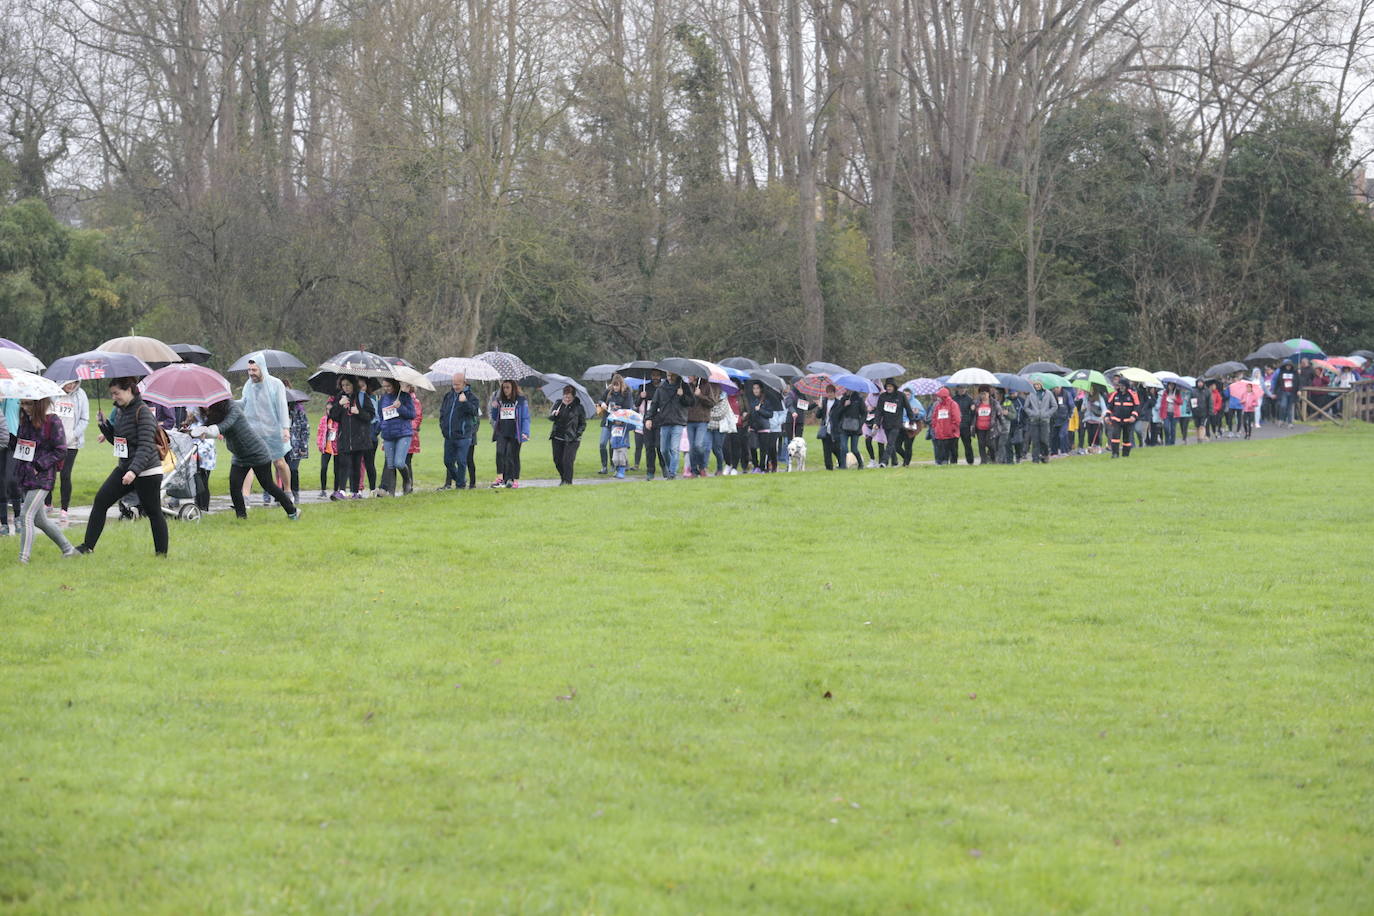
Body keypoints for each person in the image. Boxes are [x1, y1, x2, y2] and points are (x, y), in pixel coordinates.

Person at [76, 377, 168, 556]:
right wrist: (105, 426)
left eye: (116, 393)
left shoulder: (143, 412)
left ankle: (161, 554)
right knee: (101, 500)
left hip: (147, 471)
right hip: (126, 468)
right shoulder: (121, 411)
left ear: (129, 390)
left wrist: (134, 471)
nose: (114, 397)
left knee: (153, 511)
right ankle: (87, 547)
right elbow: (120, 443)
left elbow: (146, 447)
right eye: (112, 394)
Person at [190, 399, 301, 520]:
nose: (205, 408)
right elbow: (207, 427)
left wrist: (206, 431)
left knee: (268, 486)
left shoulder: (232, 408)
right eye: (203, 405)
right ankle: (241, 518)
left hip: (257, 453)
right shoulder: (215, 413)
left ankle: (293, 511)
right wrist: (190, 429)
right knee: (234, 487)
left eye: (208, 404)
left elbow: (224, 426)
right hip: (239, 455)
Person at [13, 398, 77, 562]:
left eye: (28, 403)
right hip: (26, 476)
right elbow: (22, 446)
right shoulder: (25, 420)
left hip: (43, 477)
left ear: (39, 403)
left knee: (25, 516)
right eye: (22, 403)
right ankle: (68, 549)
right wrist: (10, 439)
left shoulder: (53, 421)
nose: (25, 407)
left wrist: (39, 465)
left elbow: (61, 450)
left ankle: (23, 559)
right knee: (40, 520)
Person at [238, 353, 291, 500]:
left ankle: (287, 491)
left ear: (261, 368)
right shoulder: (248, 385)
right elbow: (243, 404)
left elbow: (282, 407)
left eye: (254, 370)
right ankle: (245, 497)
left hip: (274, 431)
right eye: (249, 370)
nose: (251, 373)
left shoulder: (276, 384)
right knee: (249, 465)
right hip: (254, 432)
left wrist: (285, 428)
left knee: (279, 463)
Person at [48, 379, 89, 527]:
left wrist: (72, 434)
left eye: (74, 383)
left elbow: (85, 419)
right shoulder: (53, 393)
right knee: (49, 472)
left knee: (65, 474)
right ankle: (48, 503)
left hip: (71, 443)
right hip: (53, 442)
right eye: (68, 383)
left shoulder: (81, 395)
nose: (71, 386)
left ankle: (64, 509)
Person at [328, 376, 375, 500]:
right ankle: (342, 491)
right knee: (344, 464)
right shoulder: (340, 397)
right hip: (344, 438)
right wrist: (339, 405)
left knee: (356, 465)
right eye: (343, 385)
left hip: (359, 438)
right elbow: (333, 416)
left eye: (348, 385)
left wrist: (358, 412)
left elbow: (370, 416)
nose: (345, 388)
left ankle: (355, 492)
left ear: (354, 384)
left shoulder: (362, 397)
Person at [644, 372, 692, 480]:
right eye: (668, 375)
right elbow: (654, 404)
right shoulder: (661, 388)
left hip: (678, 421)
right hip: (664, 421)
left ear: (677, 375)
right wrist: (648, 418)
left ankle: (672, 473)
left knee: (674, 448)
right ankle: (671, 468)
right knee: (663, 449)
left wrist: (683, 395)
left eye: (672, 376)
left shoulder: (684, 386)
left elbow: (691, 402)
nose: (670, 378)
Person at [439, 372, 480, 489]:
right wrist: (443, 427)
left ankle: (460, 486)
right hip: (449, 435)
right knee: (448, 462)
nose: (455, 387)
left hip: (463, 436)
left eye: (457, 384)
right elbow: (442, 412)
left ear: (464, 383)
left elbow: (474, 412)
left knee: (462, 461)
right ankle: (460, 479)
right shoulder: (448, 396)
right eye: (453, 384)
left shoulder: (472, 397)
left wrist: (465, 402)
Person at [376, 378, 416, 496]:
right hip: (388, 435)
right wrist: (380, 428)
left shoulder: (404, 397)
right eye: (384, 386)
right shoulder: (383, 399)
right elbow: (381, 415)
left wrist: (400, 407)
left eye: (388, 386)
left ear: (394, 385)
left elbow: (412, 414)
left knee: (399, 462)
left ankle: (407, 481)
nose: (386, 388)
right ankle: (391, 493)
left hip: (403, 434)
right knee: (390, 465)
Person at [489, 380, 530, 488]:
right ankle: (500, 478)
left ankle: (514, 480)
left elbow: (525, 417)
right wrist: (494, 407)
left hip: (515, 432)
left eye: (508, 387)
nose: (505, 390)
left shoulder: (520, 400)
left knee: (512, 456)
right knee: (500, 453)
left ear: (513, 388)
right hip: (502, 431)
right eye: (504, 388)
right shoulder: (499, 400)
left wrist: (525, 432)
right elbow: (494, 417)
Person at [549, 385, 587, 485]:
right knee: (557, 460)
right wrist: (554, 414)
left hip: (572, 439)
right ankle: (563, 478)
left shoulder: (578, 407)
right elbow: (550, 418)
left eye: (569, 397)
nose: (567, 399)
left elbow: (583, 424)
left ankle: (568, 481)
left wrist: (577, 434)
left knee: (567, 460)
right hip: (557, 436)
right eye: (565, 396)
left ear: (573, 397)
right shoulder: (558, 403)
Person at [597, 375, 635, 474]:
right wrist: (602, 404)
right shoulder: (609, 391)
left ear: (621, 384)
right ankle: (604, 466)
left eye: (617, 386)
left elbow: (628, 408)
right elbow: (600, 400)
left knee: (614, 444)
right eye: (614, 385)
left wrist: (618, 411)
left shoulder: (627, 392)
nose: (615, 388)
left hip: (619, 423)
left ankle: (614, 465)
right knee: (602, 443)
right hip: (607, 421)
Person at [874, 380, 914, 467]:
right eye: (887, 386)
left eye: (890, 386)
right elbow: (879, 411)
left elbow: (908, 408)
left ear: (894, 387)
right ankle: (896, 461)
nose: (888, 388)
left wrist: (911, 420)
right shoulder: (882, 396)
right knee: (890, 443)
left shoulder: (901, 396)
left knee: (890, 443)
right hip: (886, 424)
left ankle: (884, 462)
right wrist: (876, 423)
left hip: (896, 424)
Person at [744, 381, 779, 472]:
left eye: (757, 388)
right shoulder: (751, 400)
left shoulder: (767, 400)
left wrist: (760, 410)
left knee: (763, 449)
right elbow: (750, 412)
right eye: (754, 388)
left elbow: (770, 414)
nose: (755, 390)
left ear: (761, 389)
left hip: (764, 427)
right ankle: (756, 466)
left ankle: (762, 467)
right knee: (752, 447)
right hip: (753, 426)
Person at [635, 371, 662, 478]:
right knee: (649, 447)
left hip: (660, 419)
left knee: (659, 446)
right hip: (647, 419)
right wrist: (641, 396)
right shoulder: (644, 387)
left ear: (660, 376)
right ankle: (650, 471)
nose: (655, 377)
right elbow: (636, 403)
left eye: (657, 375)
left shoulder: (663, 387)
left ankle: (664, 466)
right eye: (653, 375)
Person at [1023, 378, 1057, 464]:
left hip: (1045, 420)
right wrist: (1032, 413)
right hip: (1034, 420)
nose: (1037, 386)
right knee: (1035, 440)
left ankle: (1045, 455)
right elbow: (1026, 407)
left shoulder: (1048, 393)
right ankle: (1035, 459)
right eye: (1035, 385)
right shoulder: (1030, 394)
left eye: (1038, 384)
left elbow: (1054, 406)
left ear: (1041, 385)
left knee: (1044, 440)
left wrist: (1047, 414)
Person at [1105, 376, 1140, 457]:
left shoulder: (1132, 394)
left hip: (1128, 420)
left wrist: (1133, 416)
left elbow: (1137, 407)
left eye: (1123, 386)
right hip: (1116, 419)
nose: (1121, 387)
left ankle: (1125, 454)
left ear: (1126, 386)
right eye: (1120, 385)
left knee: (1126, 439)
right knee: (1115, 437)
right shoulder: (1115, 394)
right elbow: (1109, 406)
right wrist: (1107, 416)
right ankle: (1115, 454)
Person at [833, 388, 867, 469]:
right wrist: (844, 406)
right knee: (843, 448)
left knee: (854, 449)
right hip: (844, 427)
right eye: (846, 389)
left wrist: (860, 424)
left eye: (849, 389)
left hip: (855, 428)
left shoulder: (859, 399)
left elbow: (864, 413)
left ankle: (860, 464)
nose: (847, 390)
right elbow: (837, 413)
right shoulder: (843, 399)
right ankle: (843, 466)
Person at [686, 378, 714, 477]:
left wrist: (700, 396)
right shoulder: (687, 386)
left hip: (702, 420)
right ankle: (694, 471)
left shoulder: (706, 385)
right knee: (692, 447)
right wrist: (681, 396)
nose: (688, 376)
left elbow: (711, 403)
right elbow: (685, 402)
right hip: (689, 420)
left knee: (698, 445)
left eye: (690, 374)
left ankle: (702, 467)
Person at [285, 393, 309, 504]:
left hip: (296, 447)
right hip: (282, 446)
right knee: (283, 470)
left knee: (293, 469)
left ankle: (295, 492)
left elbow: (305, 430)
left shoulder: (299, 413)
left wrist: (303, 446)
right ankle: (284, 493)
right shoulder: (279, 414)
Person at [930, 387, 962, 465]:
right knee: (943, 451)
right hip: (941, 433)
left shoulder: (953, 404)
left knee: (953, 451)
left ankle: (953, 464)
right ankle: (944, 463)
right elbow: (934, 417)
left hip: (952, 433)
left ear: (943, 396)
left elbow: (957, 418)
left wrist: (952, 428)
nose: (937, 398)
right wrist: (935, 427)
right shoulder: (938, 406)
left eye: (939, 396)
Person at [814, 385, 843, 470]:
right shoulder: (823, 402)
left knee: (836, 448)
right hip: (825, 429)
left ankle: (842, 463)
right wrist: (819, 407)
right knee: (826, 450)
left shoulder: (838, 403)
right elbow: (818, 416)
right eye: (828, 392)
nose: (830, 394)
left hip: (835, 429)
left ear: (835, 393)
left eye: (831, 392)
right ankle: (829, 467)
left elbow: (841, 416)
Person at [969, 388, 1001, 464]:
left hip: (990, 428)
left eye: (985, 393)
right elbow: (973, 415)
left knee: (990, 444)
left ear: (988, 394)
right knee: (981, 444)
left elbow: (999, 414)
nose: (983, 395)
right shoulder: (976, 403)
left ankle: (993, 458)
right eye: (981, 393)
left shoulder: (994, 402)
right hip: (979, 428)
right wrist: (972, 409)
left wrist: (999, 413)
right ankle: (983, 461)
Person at [404, 382, 423, 493]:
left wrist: (409, 429)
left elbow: (417, 417)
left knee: (407, 462)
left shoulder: (415, 401)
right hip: (399, 433)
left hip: (410, 435)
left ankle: (408, 485)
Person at [316, 403, 336, 497]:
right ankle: (323, 490)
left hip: (336, 447)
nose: (329, 412)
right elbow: (319, 432)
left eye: (330, 409)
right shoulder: (324, 419)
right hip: (326, 447)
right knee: (323, 468)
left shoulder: (337, 419)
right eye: (327, 409)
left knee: (337, 470)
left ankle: (337, 490)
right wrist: (320, 444)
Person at [953, 387, 976, 465]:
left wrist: (973, 409)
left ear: (966, 389)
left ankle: (970, 461)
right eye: (960, 388)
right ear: (957, 389)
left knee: (967, 444)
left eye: (964, 388)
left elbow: (973, 414)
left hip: (965, 425)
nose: (962, 389)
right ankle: (953, 461)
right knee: (954, 445)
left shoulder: (969, 399)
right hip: (955, 425)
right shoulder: (954, 399)